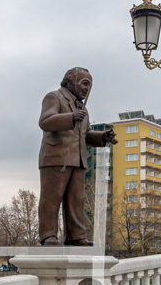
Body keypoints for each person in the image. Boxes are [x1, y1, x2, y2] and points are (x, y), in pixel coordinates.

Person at [37, 67, 116, 246]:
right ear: (71, 81)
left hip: (78, 159)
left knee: (76, 200)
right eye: (84, 83)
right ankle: (48, 235)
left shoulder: (82, 109)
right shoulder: (54, 97)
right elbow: (45, 121)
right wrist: (71, 117)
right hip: (55, 157)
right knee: (51, 198)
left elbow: (86, 134)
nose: (87, 89)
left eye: (90, 85)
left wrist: (102, 137)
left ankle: (75, 235)